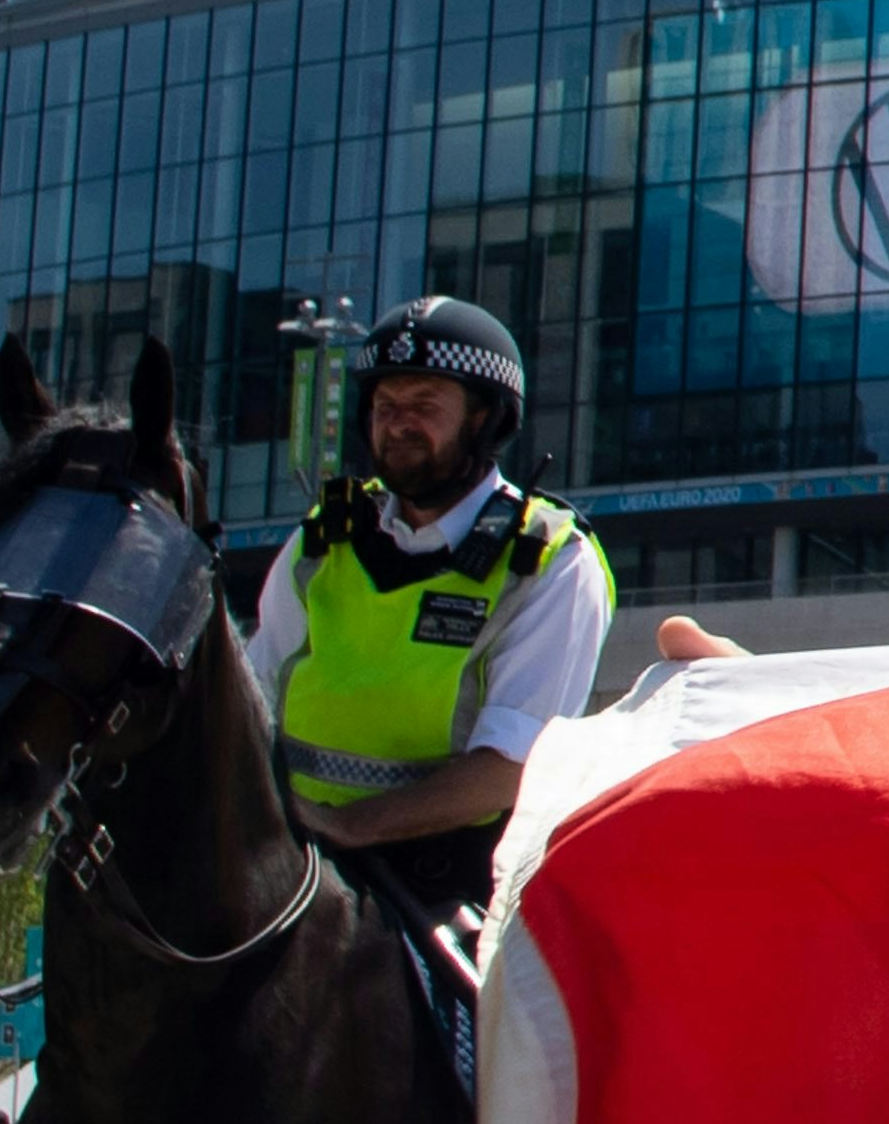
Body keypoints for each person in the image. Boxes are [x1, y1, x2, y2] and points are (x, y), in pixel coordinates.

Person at [255, 296, 619, 941]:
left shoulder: (549, 561)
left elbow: (510, 769)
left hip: (453, 895)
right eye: (386, 407)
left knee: (505, 1037)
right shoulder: (322, 540)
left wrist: (347, 825)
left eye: (424, 407)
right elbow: (253, 699)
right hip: (292, 869)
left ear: (485, 419)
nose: (397, 425)